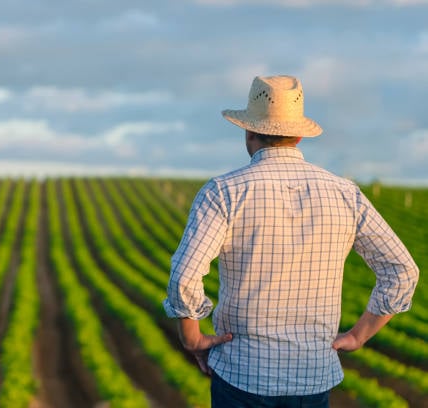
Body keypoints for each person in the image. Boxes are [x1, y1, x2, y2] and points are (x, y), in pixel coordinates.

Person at [163, 75, 419, 407]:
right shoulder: (345, 193)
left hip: (242, 374)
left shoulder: (223, 192)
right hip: (313, 377)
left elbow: (184, 278)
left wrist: (193, 338)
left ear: (249, 130)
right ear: (299, 135)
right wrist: (359, 335)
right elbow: (402, 271)